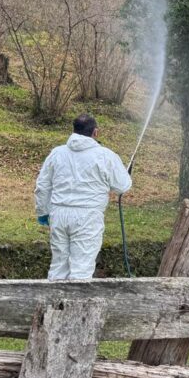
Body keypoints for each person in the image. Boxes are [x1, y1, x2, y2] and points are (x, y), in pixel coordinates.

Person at [35, 113, 131, 279]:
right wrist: (127, 173)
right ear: (95, 132)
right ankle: (75, 304)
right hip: (88, 217)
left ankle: (53, 303)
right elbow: (122, 186)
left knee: (59, 266)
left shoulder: (57, 153)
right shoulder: (106, 156)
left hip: (59, 214)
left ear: (74, 130)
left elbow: (43, 186)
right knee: (81, 269)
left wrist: (43, 212)